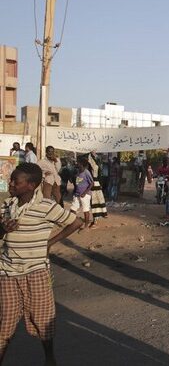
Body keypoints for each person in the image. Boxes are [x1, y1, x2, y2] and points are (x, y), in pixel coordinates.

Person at [0, 163, 83, 365]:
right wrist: (2, 229)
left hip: (36, 271)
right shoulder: (6, 206)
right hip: (7, 273)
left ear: (31, 185)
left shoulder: (46, 207)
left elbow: (76, 222)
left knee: (43, 318)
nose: (10, 184)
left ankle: (49, 357)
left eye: (15, 181)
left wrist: (50, 242)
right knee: (5, 322)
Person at [71, 158, 93, 231]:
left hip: (85, 195)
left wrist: (84, 193)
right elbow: (76, 183)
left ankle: (86, 226)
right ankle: (73, 223)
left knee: (85, 210)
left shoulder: (86, 172)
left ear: (82, 164)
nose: (77, 164)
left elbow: (91, 183)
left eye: (78, 163)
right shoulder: (77, 171)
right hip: (77, 194)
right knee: (73, 209)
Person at [86, 151, 107, 228]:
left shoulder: (96, 162)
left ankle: (95, 220)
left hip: (95, 184)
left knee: (95, 202)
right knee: (89, 203)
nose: (94, 154)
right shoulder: (88, 162)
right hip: (90, 184)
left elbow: (99, 174)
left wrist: (100, 184)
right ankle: (90, 220)